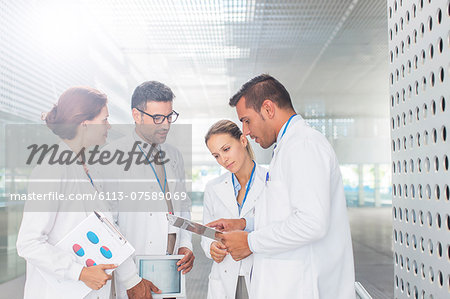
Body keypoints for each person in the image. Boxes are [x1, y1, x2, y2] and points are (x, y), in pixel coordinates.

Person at [208, 74, 355, 299]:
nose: (245, 130)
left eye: (246, 120)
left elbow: (311, 223)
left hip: (306, 288)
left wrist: (250, 241)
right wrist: (244, 224)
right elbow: (286, 214)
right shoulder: (287, 148)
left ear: (268, 109)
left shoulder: (303, 145)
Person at [16, 87, 116, 298]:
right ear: (85, 123)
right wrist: (79, 272)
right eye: (105, 119)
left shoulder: (84, 167)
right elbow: (28, 243)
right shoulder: (52, 168)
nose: (109, 125)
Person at [101, 81, 194, 299]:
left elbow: (184, 205)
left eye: (170, 116)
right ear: (137, 115)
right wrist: (129, 278)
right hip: (135, 269)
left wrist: (186, 244)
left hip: (172, 266)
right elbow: (108, 225)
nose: (166, 125)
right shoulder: (112, 156)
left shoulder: (174, 155)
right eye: (158, 118)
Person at [201, 120, 266, 299]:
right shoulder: (213, 188)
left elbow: (280, 228)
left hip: (260, 274)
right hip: (224, 276)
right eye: (216, 156)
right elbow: (207, 233)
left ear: (243, 141)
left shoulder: (271, 181)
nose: (223, 160)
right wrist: (212, 247)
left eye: (226, 149)